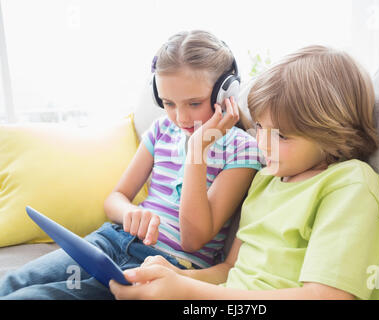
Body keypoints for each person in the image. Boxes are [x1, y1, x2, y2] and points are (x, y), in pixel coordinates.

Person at [109, 45, 379, 300]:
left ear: (333, 134)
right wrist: (175, 276)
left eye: (281, 136)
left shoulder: (350, 184)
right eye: (259, 128)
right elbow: (229, 269)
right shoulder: (266, 180)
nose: (261, 143)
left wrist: (186, 290)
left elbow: (326, 296)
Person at [0, 30, 262, 300]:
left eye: (194, 103)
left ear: (225, 93)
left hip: (165, 267)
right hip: (110, 241)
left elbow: (192, 240)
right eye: (168, 103)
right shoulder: (162, 130)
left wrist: (197, 151)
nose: (180, 117)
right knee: (15, 283)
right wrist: (129, 213)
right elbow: (115, 198)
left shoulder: (242, 151)